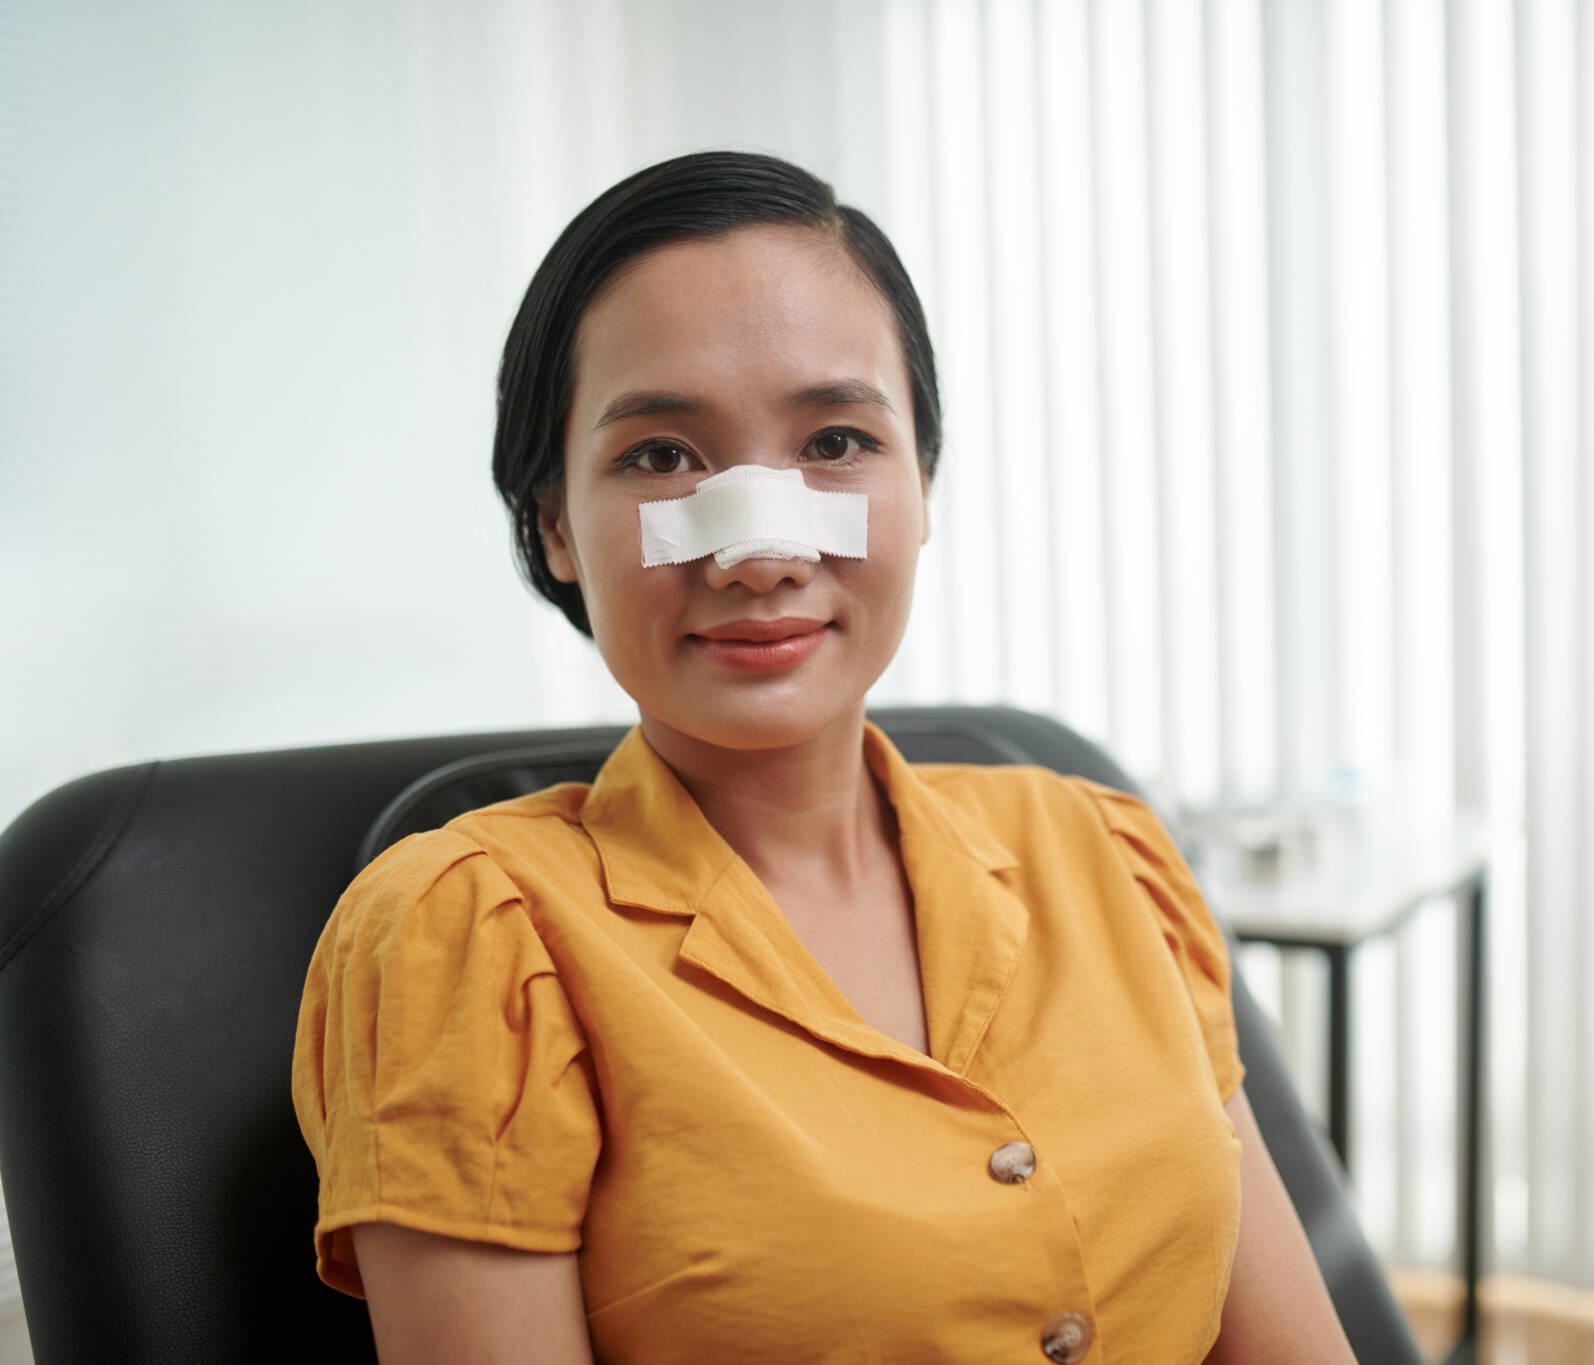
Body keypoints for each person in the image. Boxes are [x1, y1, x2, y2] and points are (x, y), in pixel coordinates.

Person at [291, 150, 1357, 1365]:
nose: (759, 551)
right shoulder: (468, 937)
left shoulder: (1099, 848)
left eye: (837, 440)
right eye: (660, 458)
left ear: (922, 484)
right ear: (553, 527)